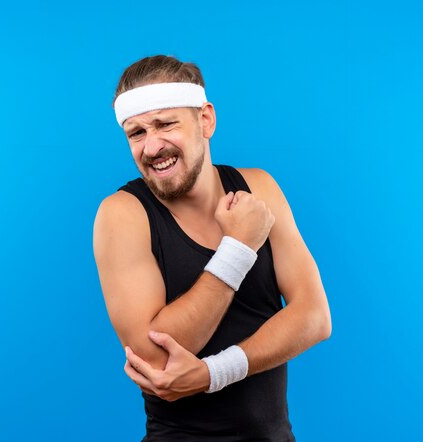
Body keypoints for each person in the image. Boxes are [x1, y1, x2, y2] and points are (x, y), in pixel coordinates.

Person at [93, 55, 332, 441]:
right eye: (136, 133)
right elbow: (157, 359)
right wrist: (238, 247)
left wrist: (213, 373)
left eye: (166, 124)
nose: (152, 146)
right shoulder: (123, 215)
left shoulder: (259, 187)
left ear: (205, 120)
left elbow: (315, 316)